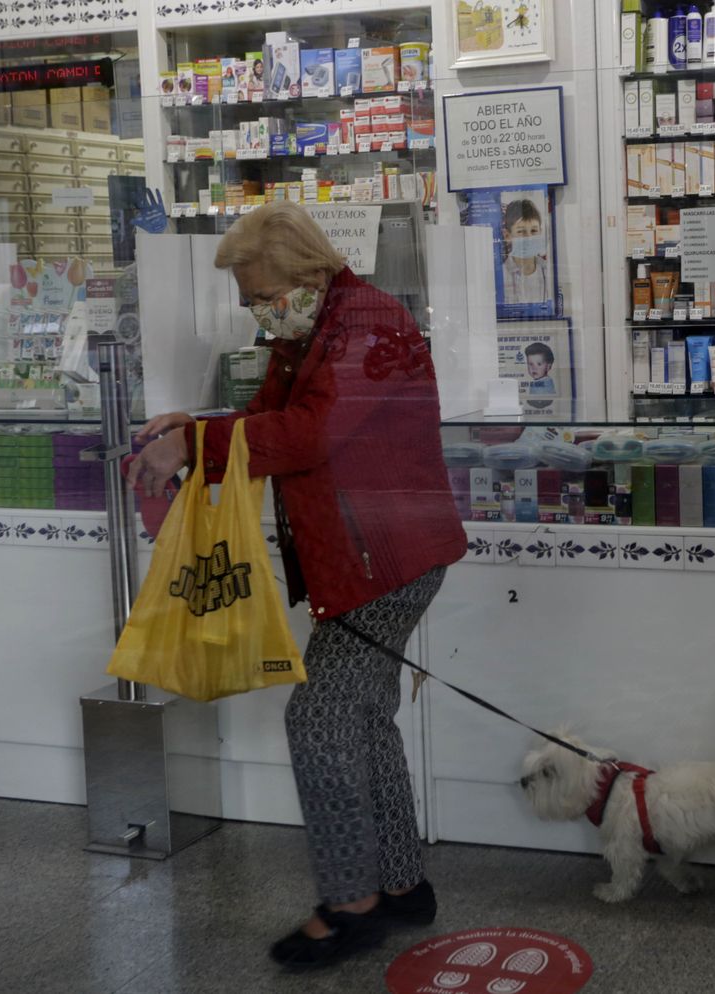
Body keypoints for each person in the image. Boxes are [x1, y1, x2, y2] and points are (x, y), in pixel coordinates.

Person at [128, 201, 467, 972]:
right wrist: (200, 425)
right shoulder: (309, 328)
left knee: (318, 717)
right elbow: (268, 418)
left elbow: (312, 433)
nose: (255, 310)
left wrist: (200, 443)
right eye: (247, 298)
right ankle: (403, 885)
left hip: (389, 554)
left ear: (306, 276)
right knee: (363, 717)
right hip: (364, 555)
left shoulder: (368, 323)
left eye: (260, 294)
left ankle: (353, 903)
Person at [500, 197, 550, 305]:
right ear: (507, 235)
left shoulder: (549, 271)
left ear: (540, 232)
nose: (529, 237)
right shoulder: (500, 275)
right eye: (521, 231)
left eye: (534, 231)